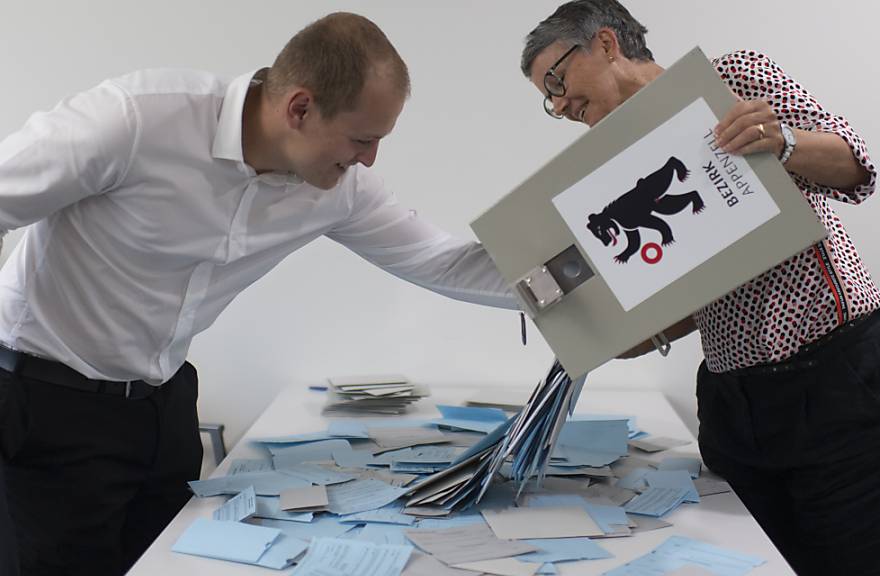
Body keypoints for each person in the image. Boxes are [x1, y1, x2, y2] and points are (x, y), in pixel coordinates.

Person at [0, 12, 514, 576]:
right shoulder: (136, 120)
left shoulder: (338, 189)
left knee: (175, 567)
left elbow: (443, 262)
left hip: (164, 405)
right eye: (363, 138)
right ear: (299, 108)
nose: (368, 159)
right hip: (47, 406)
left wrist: (596, 295)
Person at [519, 2, 880, 575]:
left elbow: (858, 168)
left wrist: (780, 141)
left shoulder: (728, 79)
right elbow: (708, 286)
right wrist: (624, 331)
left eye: (557, 80)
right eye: (548, 98)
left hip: (841, 383)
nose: (559, 105)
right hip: (735, 404)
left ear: (607, 44)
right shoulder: (607, 166)